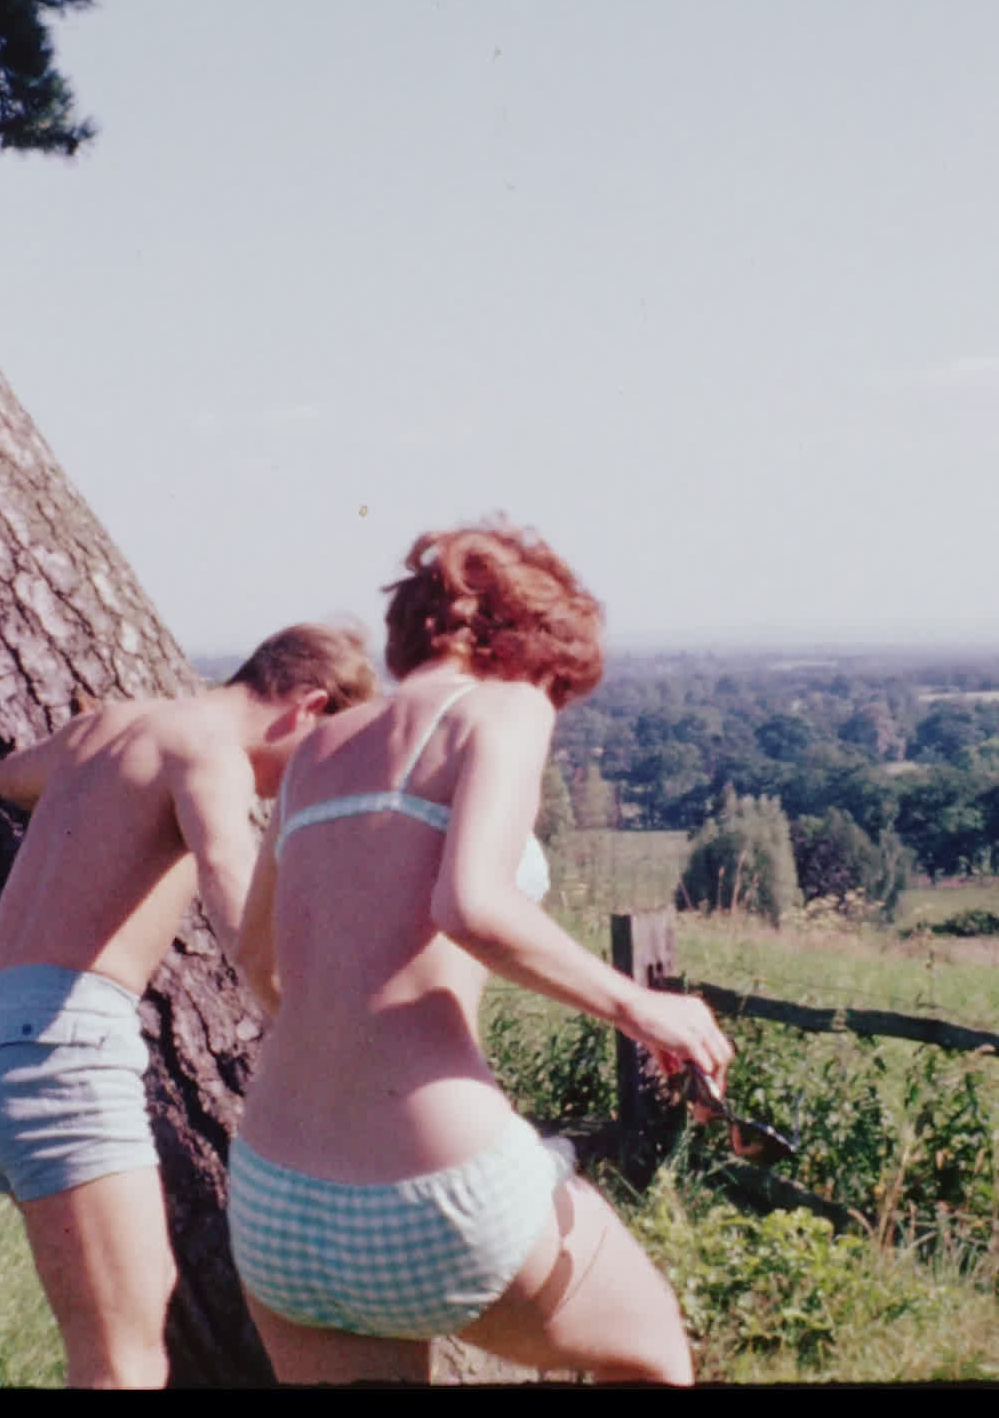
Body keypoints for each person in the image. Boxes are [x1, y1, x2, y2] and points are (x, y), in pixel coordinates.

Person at [226, 522, 734, 1386]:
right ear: (531, 645)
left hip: (275, 1204)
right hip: (434, 1193)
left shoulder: (313, 751)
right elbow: (471, 905)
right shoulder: (502, 705)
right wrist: (643, 1006)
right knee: (654, 1359)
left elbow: (256, 961)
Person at [0, 623, 377, 1388]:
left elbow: (8, 776)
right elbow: (239, 909)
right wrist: (317, 1047)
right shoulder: (211, 754)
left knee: (112, 1338)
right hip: (60, 1047)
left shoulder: (113, 726)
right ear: (306, 707)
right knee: (121, 1362)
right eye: (320, 751)